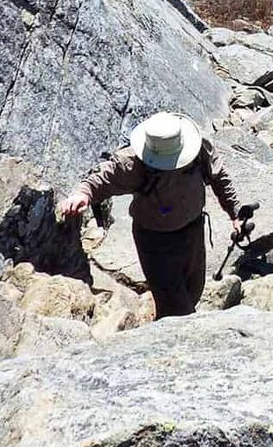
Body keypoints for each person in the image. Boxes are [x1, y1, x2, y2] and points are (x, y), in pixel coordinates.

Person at [59, 112, 241, 319]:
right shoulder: (133, 162)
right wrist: (83, 194)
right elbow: (102, 177)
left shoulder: (199, 148)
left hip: (193, 231)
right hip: (155, 243)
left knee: (193, 291)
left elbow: (219, 177)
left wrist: (235, 213)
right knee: (176, 309)